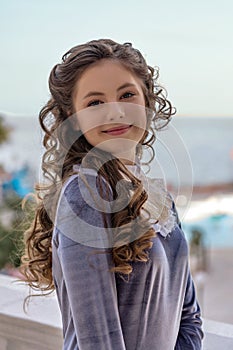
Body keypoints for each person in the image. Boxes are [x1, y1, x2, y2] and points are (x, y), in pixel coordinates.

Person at [21, 39, 203, 349]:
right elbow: (98, 339)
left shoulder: (160, 200)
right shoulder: (83, 195)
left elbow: (189, 317)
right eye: (95, 103)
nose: (115, 112)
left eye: (127, 95)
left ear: (146, 100)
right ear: (73, 117)